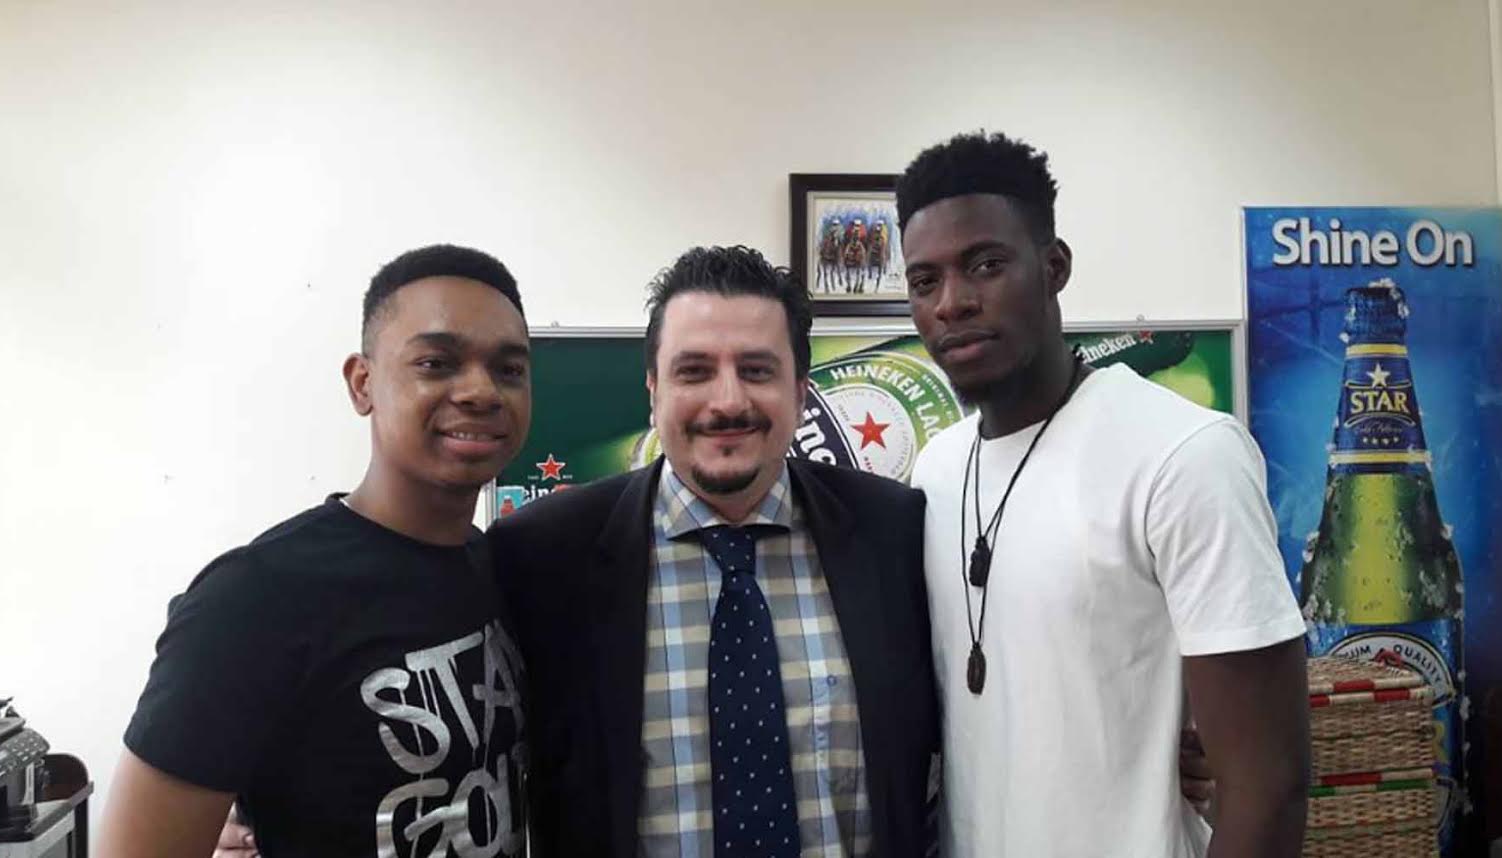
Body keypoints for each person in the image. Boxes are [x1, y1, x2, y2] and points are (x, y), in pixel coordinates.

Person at [900, 131, 1310, 858]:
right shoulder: (935, 469)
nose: (952, 302)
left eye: (986, 265)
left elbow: (1268, 785)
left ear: (1054, 267)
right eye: (925, 281)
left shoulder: (1184, 454)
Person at [488, 245, 939, 858]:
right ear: (653, 390)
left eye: (757, 370)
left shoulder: (894, 532)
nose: (727, 402)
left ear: (800, 391)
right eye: (694, 371)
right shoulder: (543, 556)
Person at [98, 245, 532, 857]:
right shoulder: (255, 597)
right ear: (362, 383)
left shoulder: (496, 567)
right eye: (436, 363)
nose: (481, 391)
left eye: (509, 370)